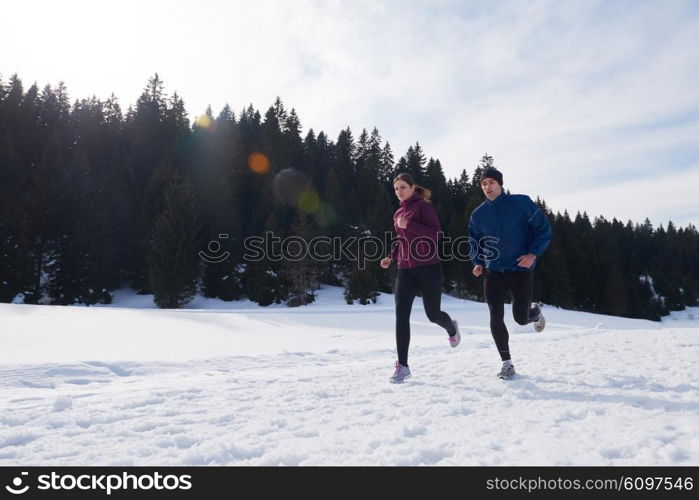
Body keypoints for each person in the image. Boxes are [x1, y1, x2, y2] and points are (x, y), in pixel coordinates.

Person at [468, 167, 552, 380]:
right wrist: (477, 262)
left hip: (520, 269)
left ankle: (534, 312)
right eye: (484, 184)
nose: (488, 187)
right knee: (495, 316)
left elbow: (543, 229)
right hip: (494, 270)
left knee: (520, 318)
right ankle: (507, 363)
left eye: (492, 183)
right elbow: (474, 241)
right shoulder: (478, 214)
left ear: (500, 184)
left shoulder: (521, 203)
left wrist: (533, 254)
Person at [380, 173, 460, 383]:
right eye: (396, 188)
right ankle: (403, 366)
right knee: (401, 315)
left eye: (403, 187)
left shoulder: (424, 207)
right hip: (405, 270)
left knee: (433, 315)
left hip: (429, 268)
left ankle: (451, 327)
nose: (399, 191)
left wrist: (410, 225)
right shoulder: (398, 213)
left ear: (413, 188)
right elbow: (400, 241)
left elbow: (436, 233)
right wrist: (391, 256)